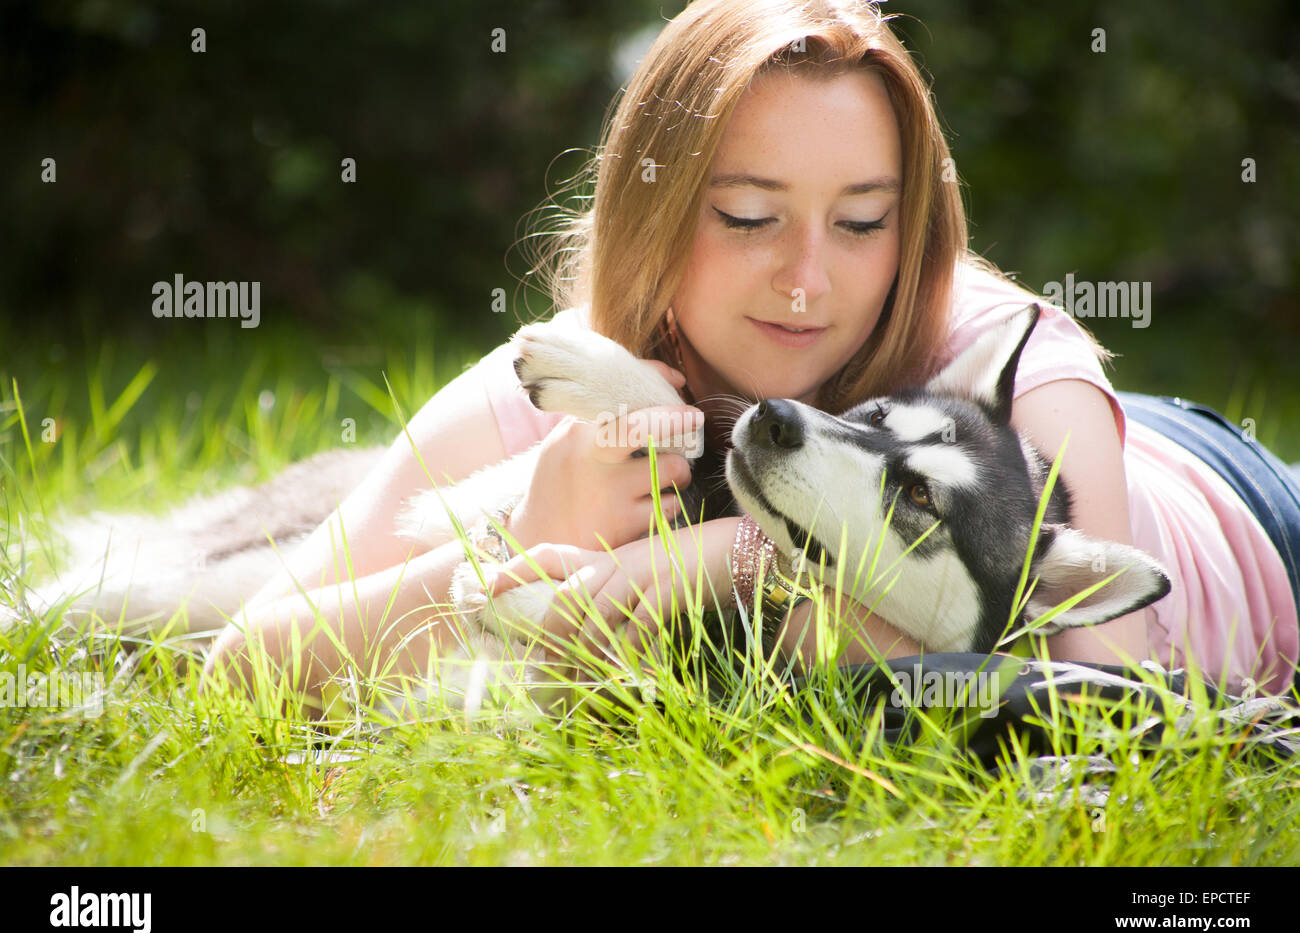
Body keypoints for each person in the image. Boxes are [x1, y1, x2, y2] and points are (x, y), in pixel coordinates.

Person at [203, 0, 1299, 711]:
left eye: (862, 222)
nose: (807, 280)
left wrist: (732, 558)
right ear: (657, 210)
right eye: (745, 215)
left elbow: (1097, 702)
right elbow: (237, 670)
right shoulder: (569, 380)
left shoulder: (1015, 372)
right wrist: (523, 536)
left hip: (1224, 497)